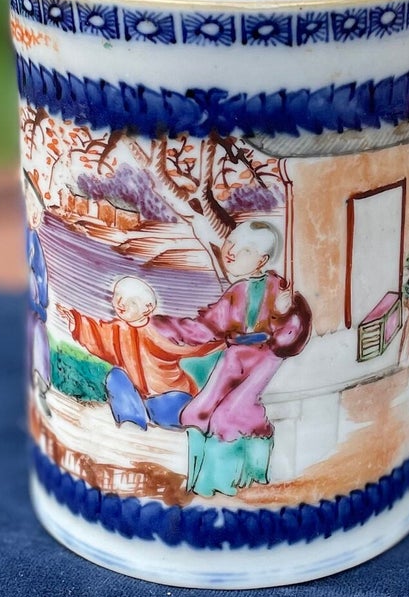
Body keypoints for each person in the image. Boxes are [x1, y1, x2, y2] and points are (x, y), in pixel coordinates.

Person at [151, 219, 311, 498]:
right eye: (231, 243)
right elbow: (206, 327)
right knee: (199, 410)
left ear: (262, 260)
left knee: (230, 414)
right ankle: (202, 483)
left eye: (245, 250)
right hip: (235, 356)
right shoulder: (237, 292)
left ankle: (241, 479)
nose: (232, 252)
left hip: (266, 358)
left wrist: (282, 312)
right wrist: (162, 325)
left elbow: (291, 334)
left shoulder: (280, 290)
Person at [59, 276, 195, 430]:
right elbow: (97, 336)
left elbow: (194, 345)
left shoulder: (161, 333)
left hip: (169, 395)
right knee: (116, 376)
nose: (120, 303)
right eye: (117, 296)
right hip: (137, 398)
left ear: (148, 308)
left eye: (131, 301)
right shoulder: (117, 330)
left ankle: (158, 417)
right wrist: (77, 323)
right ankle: (131, 422)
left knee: (170, 409)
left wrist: (216, 337)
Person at [23, 172, 52, 420]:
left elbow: (41, 275)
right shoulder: (31, 238)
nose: (35, 216)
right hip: (32, 308)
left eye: (37, 212)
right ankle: (39, 390)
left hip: (36, 309)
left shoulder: (36, 242)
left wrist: (43, 303)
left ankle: (41, 388)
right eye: (31, 209)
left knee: (39, 341)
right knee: (36, 341)